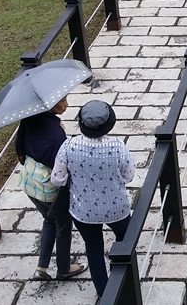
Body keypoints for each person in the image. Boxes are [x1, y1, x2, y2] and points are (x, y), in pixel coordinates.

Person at [51, 100, 135, 297]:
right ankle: (124, 278)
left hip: (83, 210)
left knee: (94, 249)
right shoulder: (117, 146)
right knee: (124, 241)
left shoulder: (69, 145)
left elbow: (57, 179)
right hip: (117, 208)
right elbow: (128, 176)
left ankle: (104, 292)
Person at [15, 95, 87, 280]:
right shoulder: (56, 137)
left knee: (49, 219)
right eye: (60, 101)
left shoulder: (29, 117)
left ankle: (42, 268)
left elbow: (20, 151)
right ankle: (64, 268)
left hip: (29, 183)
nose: (66, 105)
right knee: (63, 224)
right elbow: (62, 168)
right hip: (48, 188)